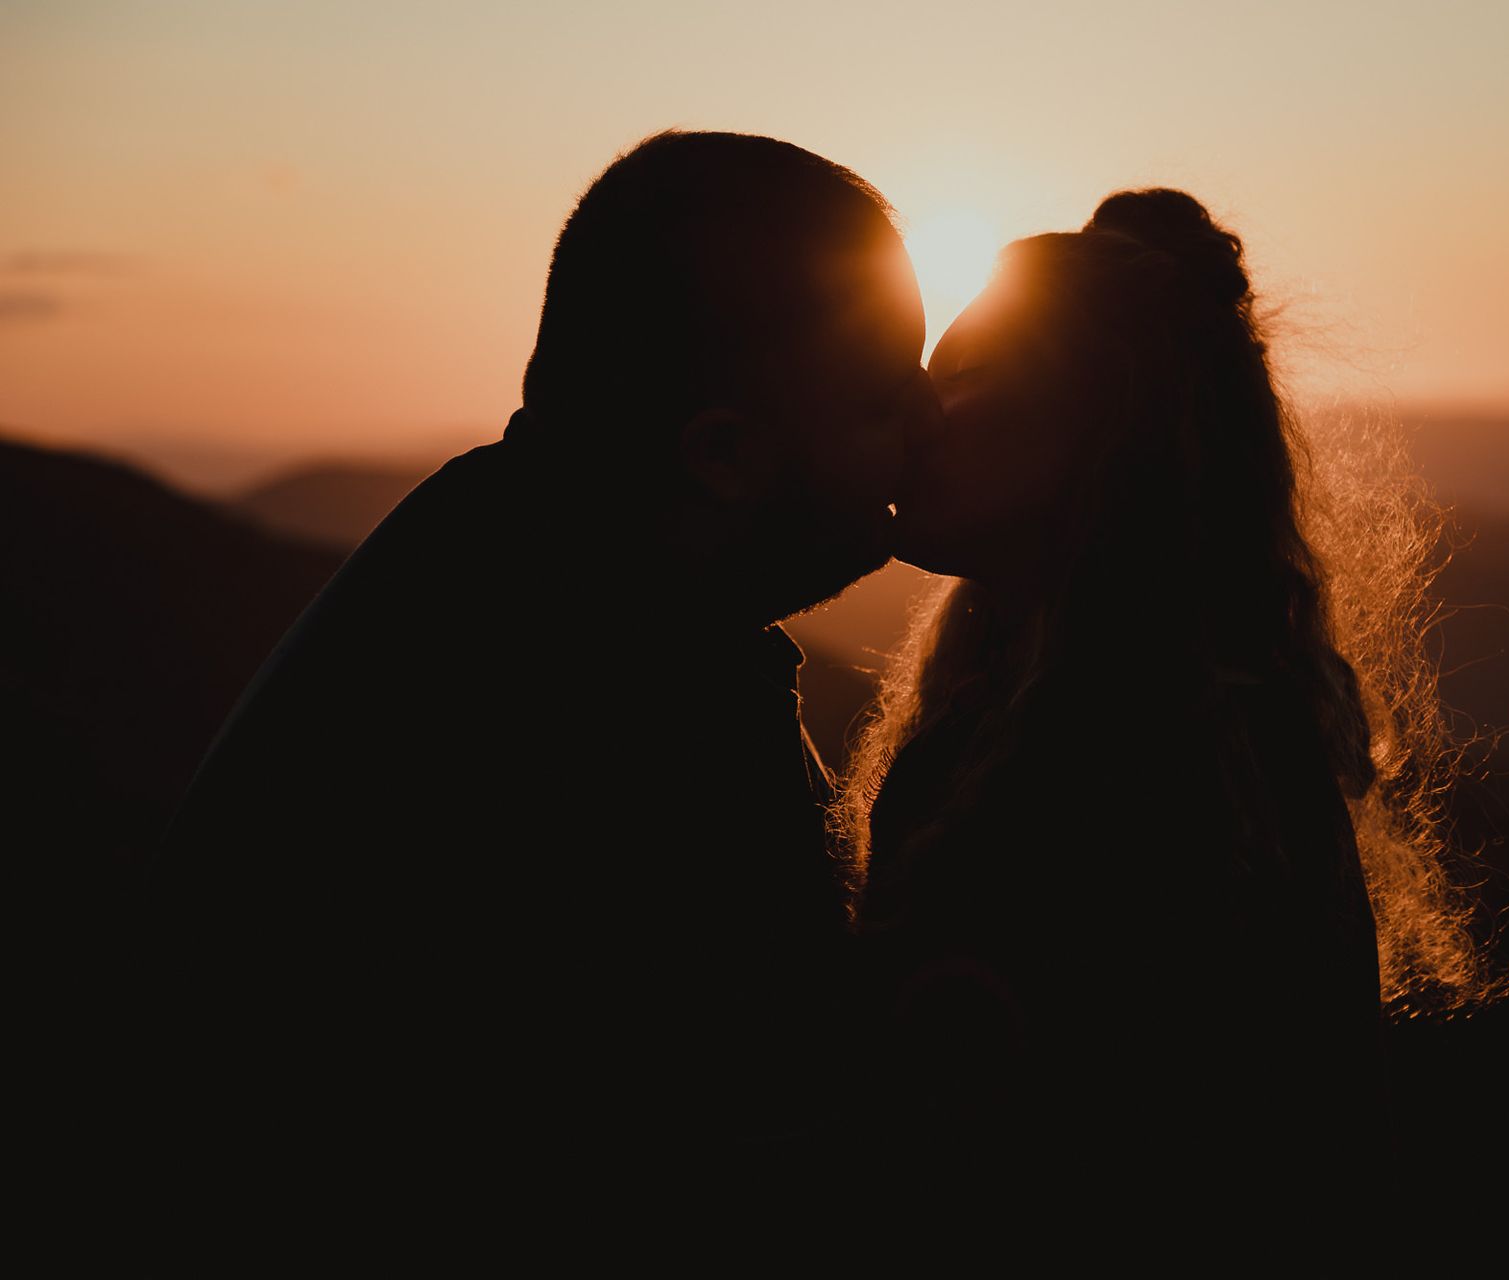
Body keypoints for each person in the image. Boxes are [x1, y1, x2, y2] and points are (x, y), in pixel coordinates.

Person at [139, 130, 937, 1240]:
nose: (932, 423)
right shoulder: (612, 719)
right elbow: (769, 1152)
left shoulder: (516, 562)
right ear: (721, 454)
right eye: (888, 399)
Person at [835, 189, 1498, 1239]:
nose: (917, 409)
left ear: (1107, 427)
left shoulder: (1151, 779)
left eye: (964, 374)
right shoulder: (1174, 731)